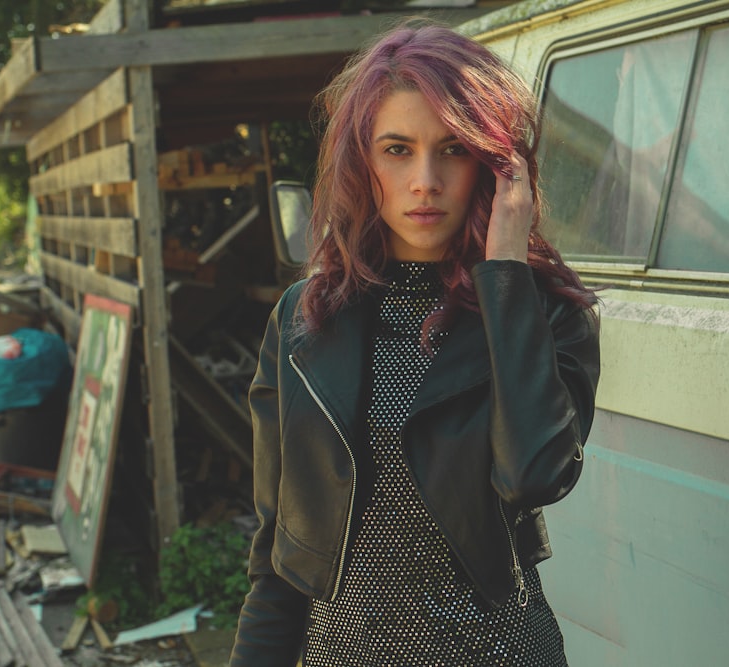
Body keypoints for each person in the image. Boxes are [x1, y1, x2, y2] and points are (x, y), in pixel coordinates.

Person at [229, 19, 601, 667]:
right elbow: (280, 556)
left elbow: (534, 474)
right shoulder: (302, 323)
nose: (425, 179)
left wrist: (506, 277)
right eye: (397, 149)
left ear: (493, 165)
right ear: (362, 162)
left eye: (453, 149)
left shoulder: (543, 313)